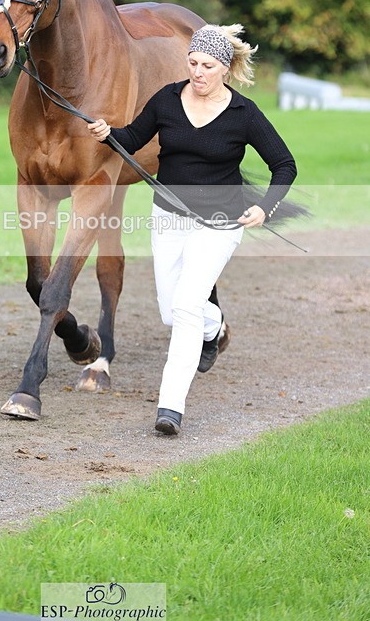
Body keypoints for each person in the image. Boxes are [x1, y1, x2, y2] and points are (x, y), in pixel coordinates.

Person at [87, 24, 297, 435]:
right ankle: (215, 325)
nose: (198, 72)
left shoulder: (244, 113)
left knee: (185, 308)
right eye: (193, 63)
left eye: (208, 65)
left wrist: (264, 207)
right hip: (169, 218)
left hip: (219, 225)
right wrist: (108, 133)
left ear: (226, 68)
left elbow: (284, 165)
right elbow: (132, 137)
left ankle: (170, 408)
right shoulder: (167, 99)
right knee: (172, 310)